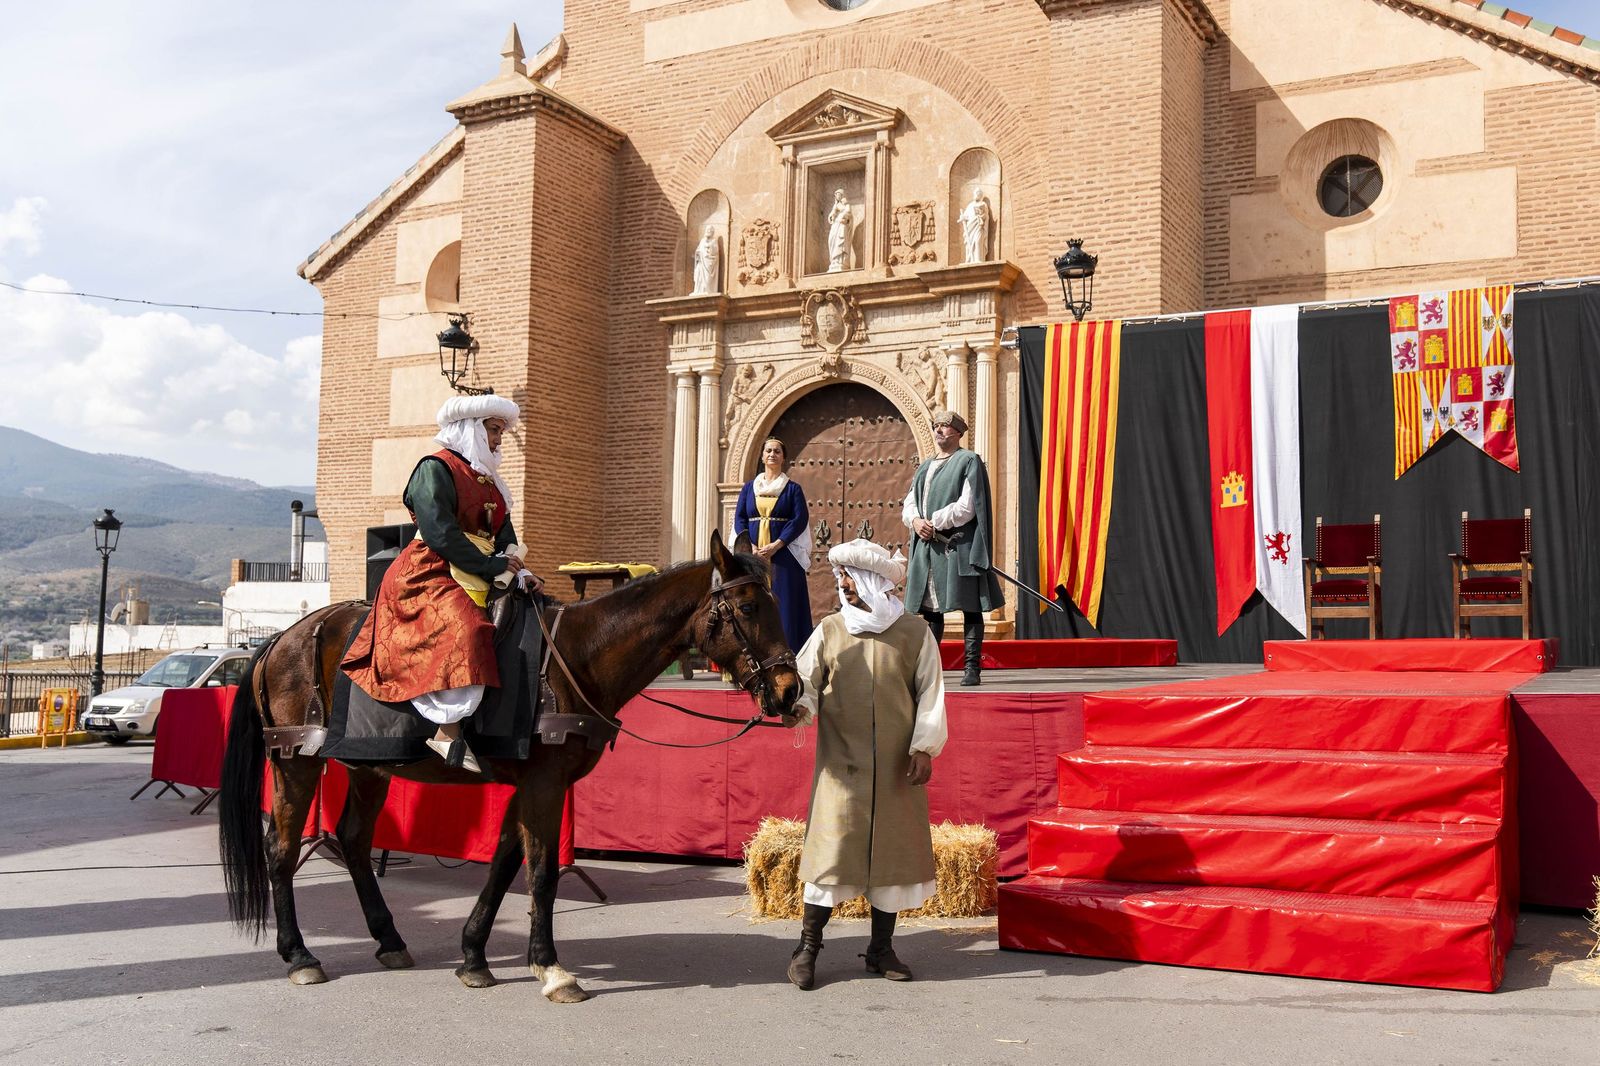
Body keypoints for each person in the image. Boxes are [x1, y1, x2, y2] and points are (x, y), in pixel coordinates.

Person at [341, 394, 543, 774]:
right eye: (494, 430)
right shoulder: (434, 469)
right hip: (429, 570)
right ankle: (447, 731)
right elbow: (440, 533)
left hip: (483, 565)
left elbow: (505, 534)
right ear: (471, 429)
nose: (500, 440)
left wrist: (520, 570)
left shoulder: (490, 480)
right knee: (466, 628)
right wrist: (489, 565)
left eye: (501, 431)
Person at [785, 538, 946, 991]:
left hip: (897, 768)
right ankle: (807, 948)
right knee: (829, 856)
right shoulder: (830, 630)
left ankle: (881, 949)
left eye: (850, 577)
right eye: (841, 577)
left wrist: (924, 747)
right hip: (843, 767)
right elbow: (806, 682)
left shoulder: (915, 633)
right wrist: (795, 706)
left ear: (874, 581)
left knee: (892, 860)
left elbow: (931, 692)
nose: (843, 585)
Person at [902, 409, 1003, 686]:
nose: (939, 431)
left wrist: (934, 521)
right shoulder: (925, 466)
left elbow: (968, 507)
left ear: (958, 432)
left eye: (945, 426)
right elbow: (909, 501)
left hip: (958, 546)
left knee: (970, 606)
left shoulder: (968, 460)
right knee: (931, 609)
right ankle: (931, 670)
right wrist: (915, 521)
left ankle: (972, 667)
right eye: (936, 426)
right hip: (927, 546)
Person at [733, 436, 814, 651]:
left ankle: (790, 652)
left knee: (785, 603)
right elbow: (740, 518)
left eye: (777, 451)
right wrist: (750, 545)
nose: (772, 454)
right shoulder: (749, 488)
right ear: (762, 456)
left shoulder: (792, 489)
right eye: (768, 450)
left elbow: (799, 519)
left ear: (783, 458)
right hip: (753, 554)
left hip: (783, 555)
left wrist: (777, 545)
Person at [826, 189, 853, 272]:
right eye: (836, 195)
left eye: (839, 194)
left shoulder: (846, 205)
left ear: (842, 195)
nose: (837, 196)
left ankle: (842, 262)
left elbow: (848, 213)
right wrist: (832, 216)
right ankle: (834, 261)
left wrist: (844, 217)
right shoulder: (835, 206)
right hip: (835, 225)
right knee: (832, 240)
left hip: (842, 226)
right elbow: (831, 216)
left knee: (841, 242)